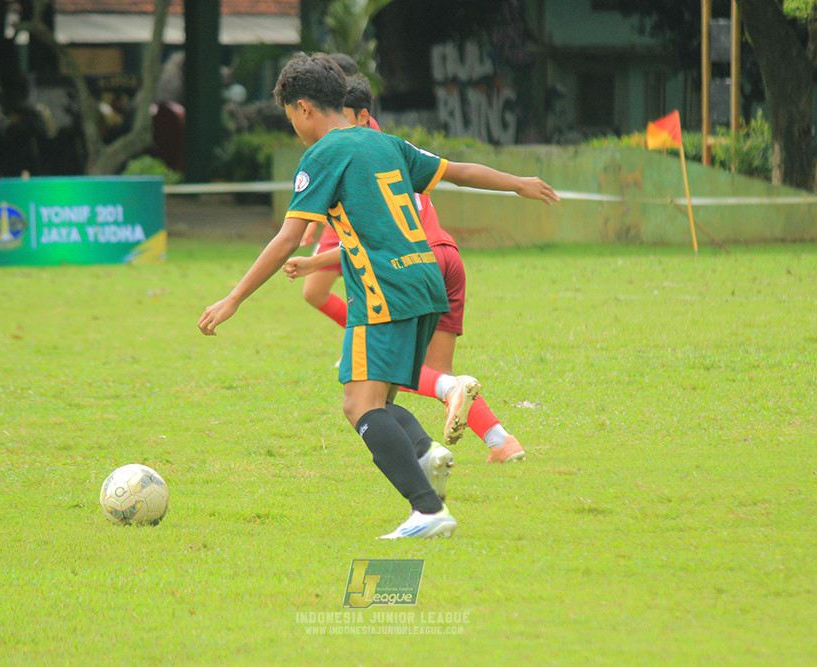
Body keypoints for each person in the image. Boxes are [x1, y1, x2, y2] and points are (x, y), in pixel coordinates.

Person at [197, 53, 558, 539]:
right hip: (427, 282)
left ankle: (427, 510)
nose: (294, 129)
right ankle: (427, 455)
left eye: (289, 119)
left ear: (304, 109)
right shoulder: (383, 142)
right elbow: (459, 172)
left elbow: (287, 237)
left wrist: (234, 299)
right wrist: (518, 184)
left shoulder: (322, 154)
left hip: (384, 292)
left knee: (359, 407)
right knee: (381, 401)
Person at [285, 74, 526, 464]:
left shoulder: (344, 156)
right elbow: (457, 173)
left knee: (401, 377)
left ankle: (424, 383)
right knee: (432, 369)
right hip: (444, 258)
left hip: (402, 271)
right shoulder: (391, 144)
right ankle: (501, 440)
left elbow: (366, 246)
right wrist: (517, 183)